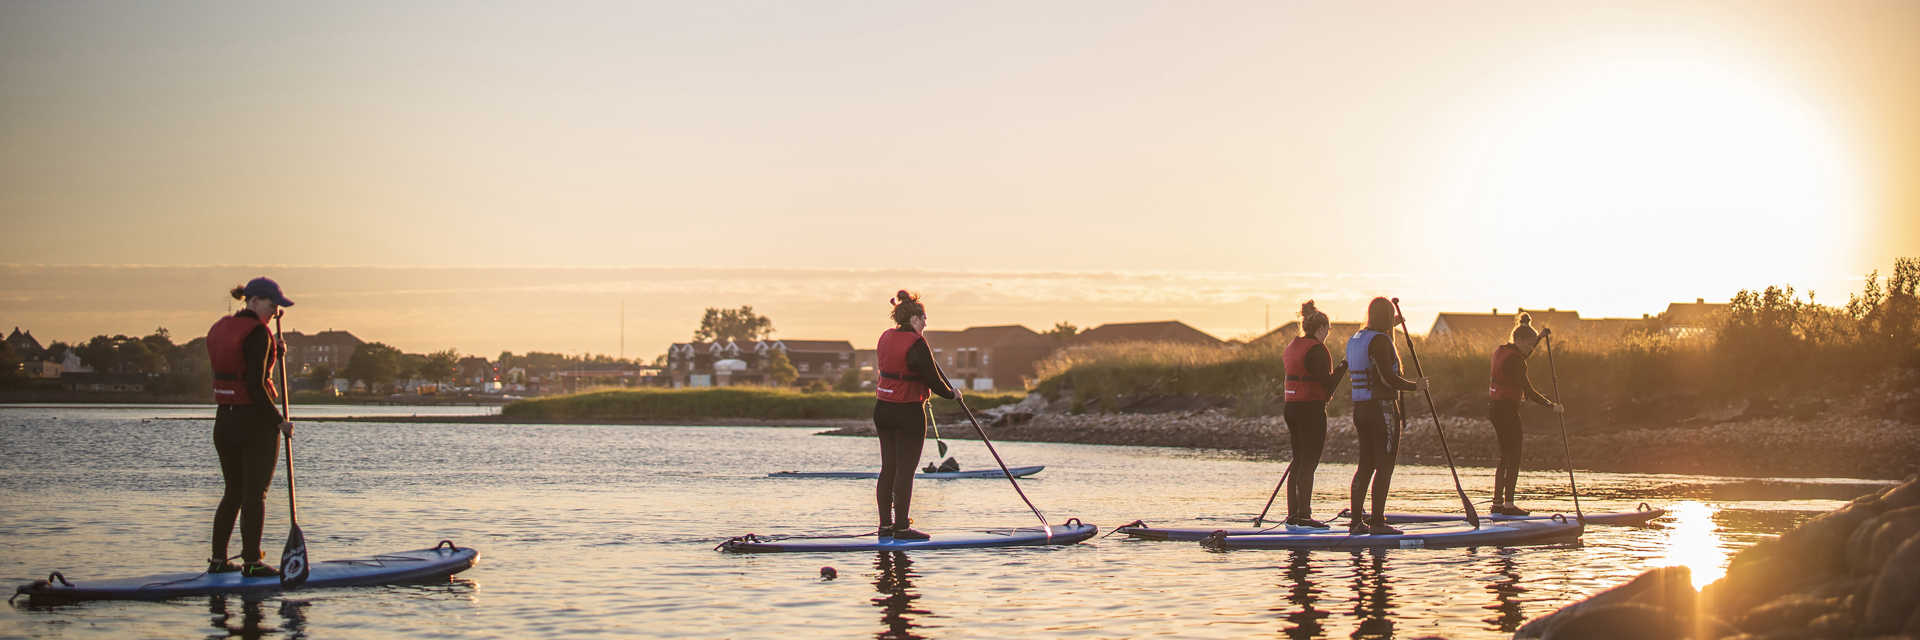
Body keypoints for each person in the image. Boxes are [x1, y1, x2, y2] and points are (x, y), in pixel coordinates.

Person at [205, 277, 296, 577]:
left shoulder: (221, 327)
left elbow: (243, 364)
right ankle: (252, 563)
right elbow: (256, 387)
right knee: (254, 495)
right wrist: (279, 422)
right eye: (272, 306)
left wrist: (273, 352)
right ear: (254, 301)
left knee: (233, 491)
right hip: (254, 423)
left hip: (224, 421)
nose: (275, 312)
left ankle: (218, 561)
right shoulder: (259, 334)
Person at [872, 290, 958, 540]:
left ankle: (885, 525)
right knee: (905, 471)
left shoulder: (885, 337)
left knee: (888, 467)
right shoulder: (918, 344)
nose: (926, 323)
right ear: (915, 319)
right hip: (907, 412)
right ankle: (901, 528)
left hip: (883, 410)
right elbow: (934, 381)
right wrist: (954, 395)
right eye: (924, 318)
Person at [1345, 296, 1428, 535]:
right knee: (1384, 465)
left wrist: (1394, 322)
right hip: (1381, 410)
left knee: (1365, 465)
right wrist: (1416, 386)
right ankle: (1378, 523)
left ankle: (1357, 522)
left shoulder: (1357, 338)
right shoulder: (1381, 341)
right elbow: (1387, 378)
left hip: (1360, 410)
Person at [1487, 313, 1564, 516]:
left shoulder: (1504, 351)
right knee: (1513, 456)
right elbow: (1528, 391)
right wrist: (1551, 406)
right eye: (1529, 344)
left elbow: (1524, 356)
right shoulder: (1516, 361)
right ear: (1520, 340)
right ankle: (1509, 505)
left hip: (1495, 409)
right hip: (1506, 411)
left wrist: (1539, 338)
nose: (1531, 348)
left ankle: (1497, 503)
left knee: (1505, 455)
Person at [1280, 300, 1348, 529]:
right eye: (1327, 330)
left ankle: (1294, 514)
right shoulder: (1316, 349)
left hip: (1291, 408)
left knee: (1298, 461)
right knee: (1308, 462)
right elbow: (1327, 385)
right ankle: (1304, 515)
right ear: (1321, 329)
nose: (1328, 334)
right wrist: (1344, 366)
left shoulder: (1293, 345)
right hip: (1310, 409)